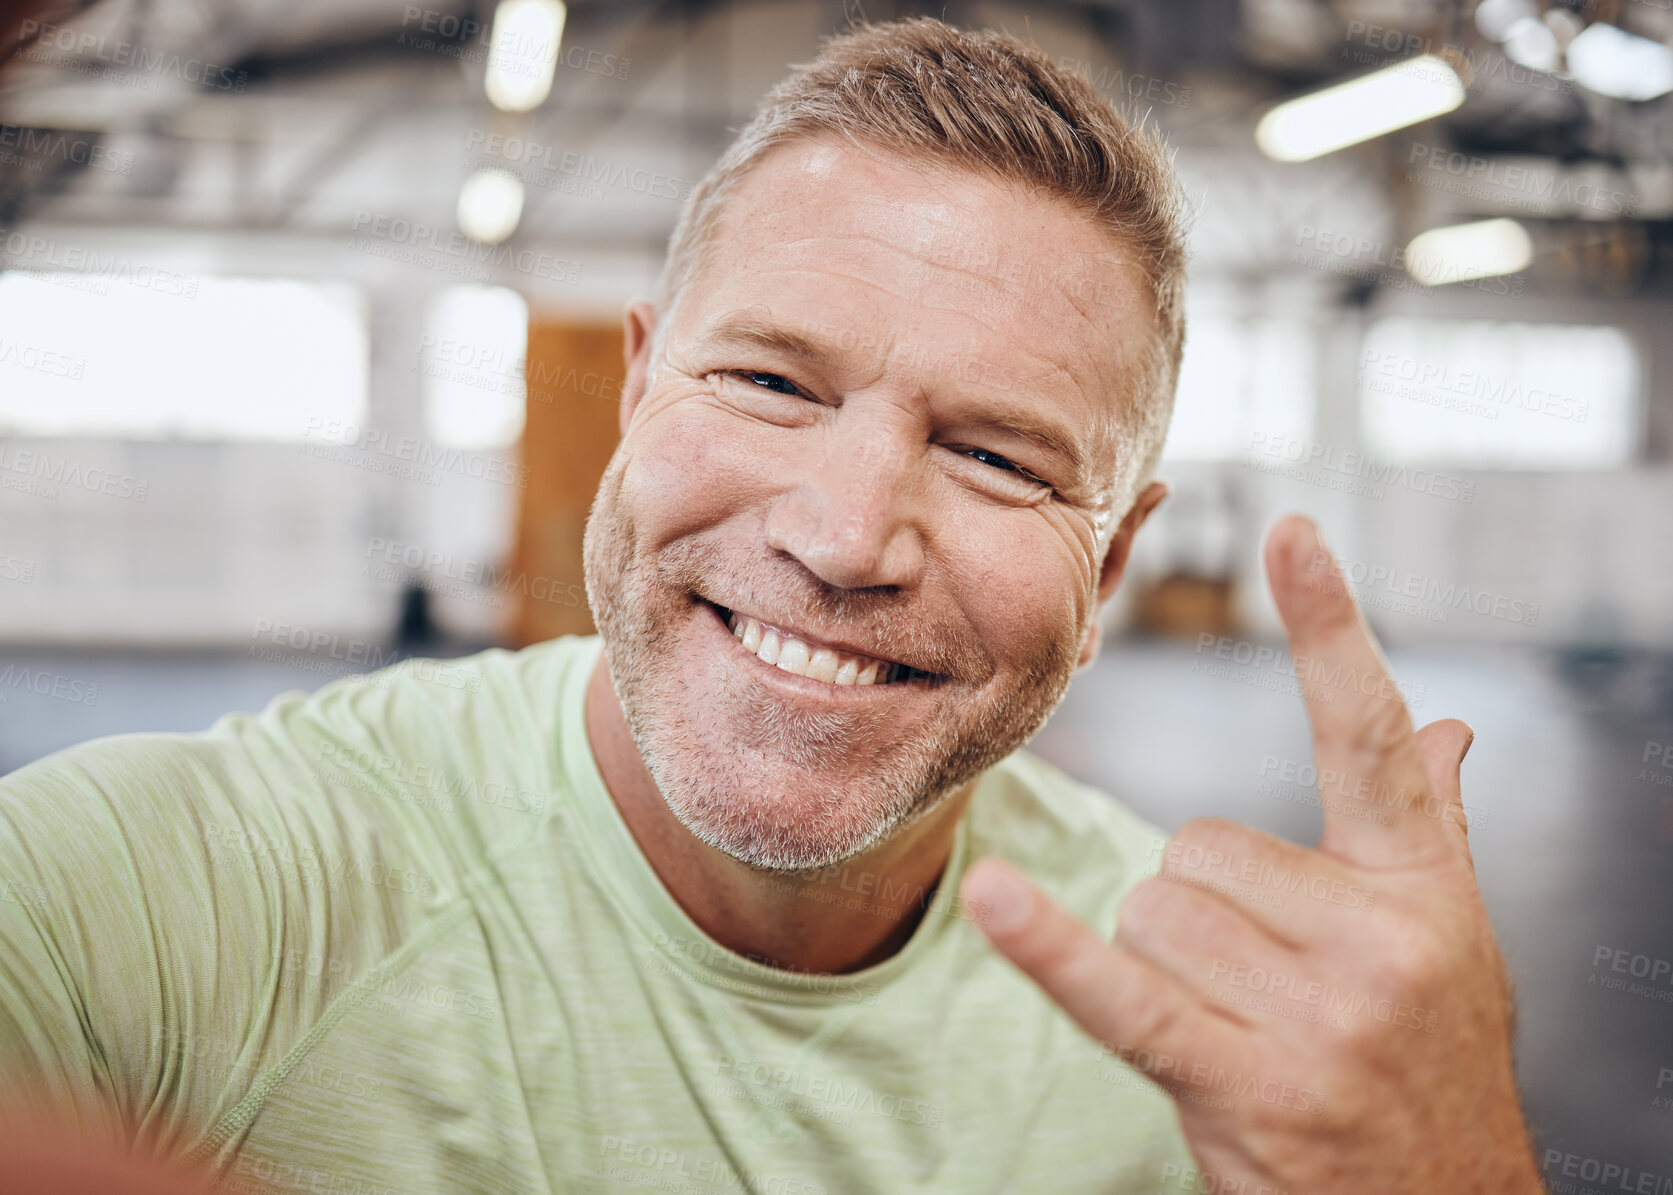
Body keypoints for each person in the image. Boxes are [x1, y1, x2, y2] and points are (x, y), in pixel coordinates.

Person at [0, 17, 1543, 1193]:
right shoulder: (179, 896)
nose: (846, 535)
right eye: (764, 382)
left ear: (1113, 567)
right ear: (636, 390)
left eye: (998, 457)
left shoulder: (1229, 1041)